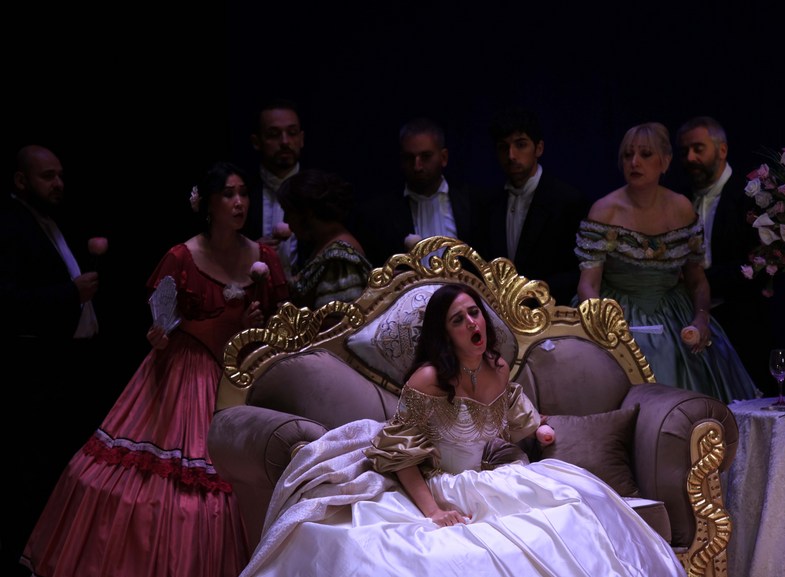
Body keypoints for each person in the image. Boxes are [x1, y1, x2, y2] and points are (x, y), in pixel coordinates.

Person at [236, 283, 685, 577]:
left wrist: (540, 430)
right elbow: (402, 456)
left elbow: (517, 416)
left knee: (571, 514)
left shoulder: (498, 367)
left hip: (485, 478)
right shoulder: (429, 379)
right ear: (444, 333)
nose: (472, 323)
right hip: (432, 481)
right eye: (458, 319)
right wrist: (433, 510)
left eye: (474, 313)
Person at [20, 161, 290, 577]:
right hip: (185, 372)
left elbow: (280, 320)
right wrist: (160, 334)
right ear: (207, 204)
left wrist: (257, 323)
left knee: (244, 475)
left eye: (243, 194)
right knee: (169, 483)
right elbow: (164, 319)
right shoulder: (182, 257)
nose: (239, 203)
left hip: (241, 373)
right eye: (228, 194)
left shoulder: (263, 256)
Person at [575, 122, 758, 403]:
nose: (634, 162)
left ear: (665, 161)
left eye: (645, 154)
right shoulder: (604, 211)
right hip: (619, 312)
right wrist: (603, 324)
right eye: (628, 155)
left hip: (674, 314)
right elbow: (588, 285)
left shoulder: (681, 208)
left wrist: (701, 318)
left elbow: (697, 280)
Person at [0, 145, 107, 576]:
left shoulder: (49, 221)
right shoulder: (10, 225)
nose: (58, 184)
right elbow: (7, 302)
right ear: (21, 180)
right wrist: (70, 293)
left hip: (67, 364)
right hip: (35, 371)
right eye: (47, 176)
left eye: (60, 175)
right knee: (35, 470)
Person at [675, 116, 774, 393]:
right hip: (689, 320)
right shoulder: (678, 200)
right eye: (684, 151)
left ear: (722, 150)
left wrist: (699, 281)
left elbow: (758, 266)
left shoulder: (751, 198)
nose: (690, 158)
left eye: (698, 148)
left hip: (742, 321)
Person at [484, 106, 589, 305]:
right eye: (503, 147)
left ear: (539, 148)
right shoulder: (489, 203)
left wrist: (532, 293)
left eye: (520, 145)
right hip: (499, 311)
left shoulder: (567, 200)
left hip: (551, 311)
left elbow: (579, 271)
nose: (511, 155)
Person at [353, 117, 487, 265]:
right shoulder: (380, 214)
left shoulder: (474, 204)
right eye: (409, 158)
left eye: (426, 156)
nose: (417, 167)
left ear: (444, 157)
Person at [277, 168, 371, 315]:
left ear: (307, 213)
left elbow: (338, 323)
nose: (285, 220)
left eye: (288, 212)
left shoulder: (339, 257)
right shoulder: (325, 245)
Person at [246, 97, 305, 279]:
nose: (285, 141)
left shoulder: (321, 192)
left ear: (301, 139)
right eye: (274, 134)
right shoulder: (242, 192)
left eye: (292, 133)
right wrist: (248, 252)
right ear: (256, 142)